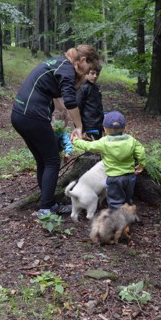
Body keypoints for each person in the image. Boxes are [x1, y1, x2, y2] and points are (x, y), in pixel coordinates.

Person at [11, 45, 100, 218]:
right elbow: (69, 99)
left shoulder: (58, 63)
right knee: (52, 160)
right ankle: (46, 208)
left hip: (19, 115)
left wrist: (65, 113)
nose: (87, 72)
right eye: (88, 68)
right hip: (32, 117)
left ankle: (46, 200)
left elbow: (56, 97)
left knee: (43, 160)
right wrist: (79, 127)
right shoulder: (66, 68)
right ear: (82, 60)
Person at [71, 111, 146, 209]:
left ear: (105, 129)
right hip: (130, 177)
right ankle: (127, 216)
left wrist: (76, 141)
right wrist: (141, 164)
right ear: (124, 128)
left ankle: (118, 222)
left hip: (114, 178)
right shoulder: (131, 140)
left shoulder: (104, 142)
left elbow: (88, 146)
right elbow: (141, 152)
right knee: (127, 198)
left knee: (115, 202)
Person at [77, 62, 104, 140]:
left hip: (99, 124)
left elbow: (98, 105)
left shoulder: (96, 87)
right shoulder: (82, 88)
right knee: (90, 149)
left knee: (97, 147)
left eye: (97, 74)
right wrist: (80, 128)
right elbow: (78, 108)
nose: (95, 76)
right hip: (89, 125)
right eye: (92, 73)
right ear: (86, 73)